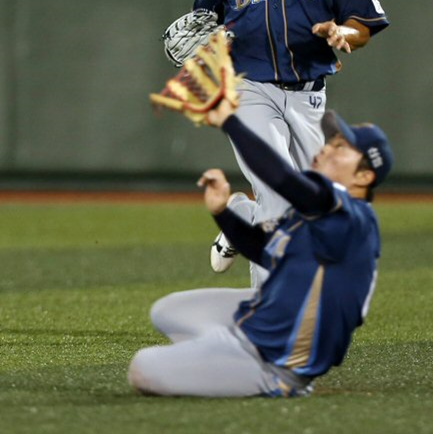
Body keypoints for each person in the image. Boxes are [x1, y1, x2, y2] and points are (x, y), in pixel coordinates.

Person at [190, 0, 390, 286]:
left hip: (308, 95)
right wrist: (212, 44)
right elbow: (201, 27)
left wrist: (344, 33)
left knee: (319, 206)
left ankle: (240, 219)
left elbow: (366, 22)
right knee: (280, 197)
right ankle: (269, 329)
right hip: (250, 91)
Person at [128, 100, 393, 398]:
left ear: (364, 177)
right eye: (331, 142)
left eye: (341, 147)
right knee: (166, 311)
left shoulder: (351, 217)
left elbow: (281, 177)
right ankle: (216, 353)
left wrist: (230, 122)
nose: (327, 148)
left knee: (143, 367)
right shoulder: (318, 213)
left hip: (278, 361)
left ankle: (243, 367)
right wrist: (222, 213)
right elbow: (262, 249)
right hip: (268, 320)